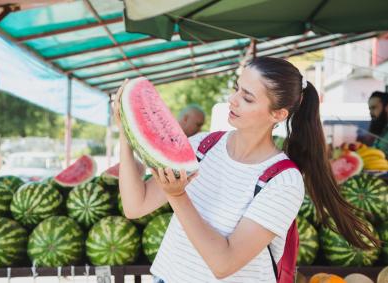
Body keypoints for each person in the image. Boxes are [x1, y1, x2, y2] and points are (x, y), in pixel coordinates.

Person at [114, 57, 379, 282]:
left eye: (247, 98)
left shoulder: (283, 181)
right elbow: (135, 206)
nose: (233, 100)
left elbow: (224, 263)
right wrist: (127, 132)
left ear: (278, 114)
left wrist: (178, 196)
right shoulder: (202, 146)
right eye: (237, 89)